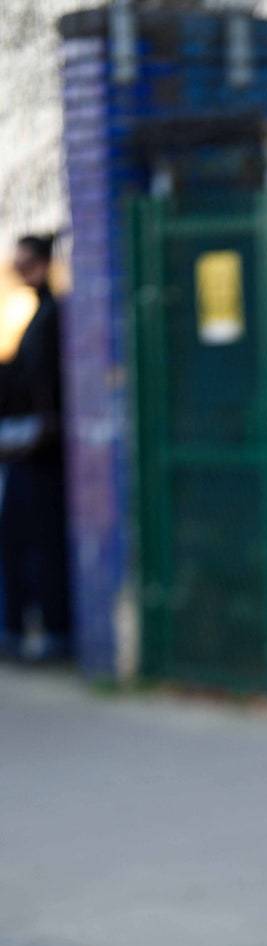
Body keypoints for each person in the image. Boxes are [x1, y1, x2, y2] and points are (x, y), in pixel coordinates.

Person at [0, 233, 72, 663]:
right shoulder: (39, 314)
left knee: (36, 542)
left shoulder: (50, 315)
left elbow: (45, 391)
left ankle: (51, 631)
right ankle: (30, 628)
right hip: (36, 450)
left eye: (28, 262)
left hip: (43, 455)